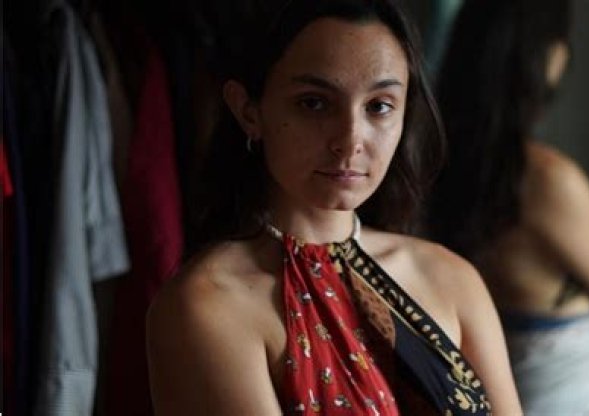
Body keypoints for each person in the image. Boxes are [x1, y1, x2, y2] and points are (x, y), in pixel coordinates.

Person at [145, 1, 523, 414]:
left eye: (379, 106)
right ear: (249, 111)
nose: (350, 139)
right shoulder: (211, 302)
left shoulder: (451, 278)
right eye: (314, 103)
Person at [429, 0, 589, 414]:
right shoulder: (545, 179)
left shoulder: (436, 164)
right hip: (559, 395)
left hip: (501, 382)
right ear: (548, 52)